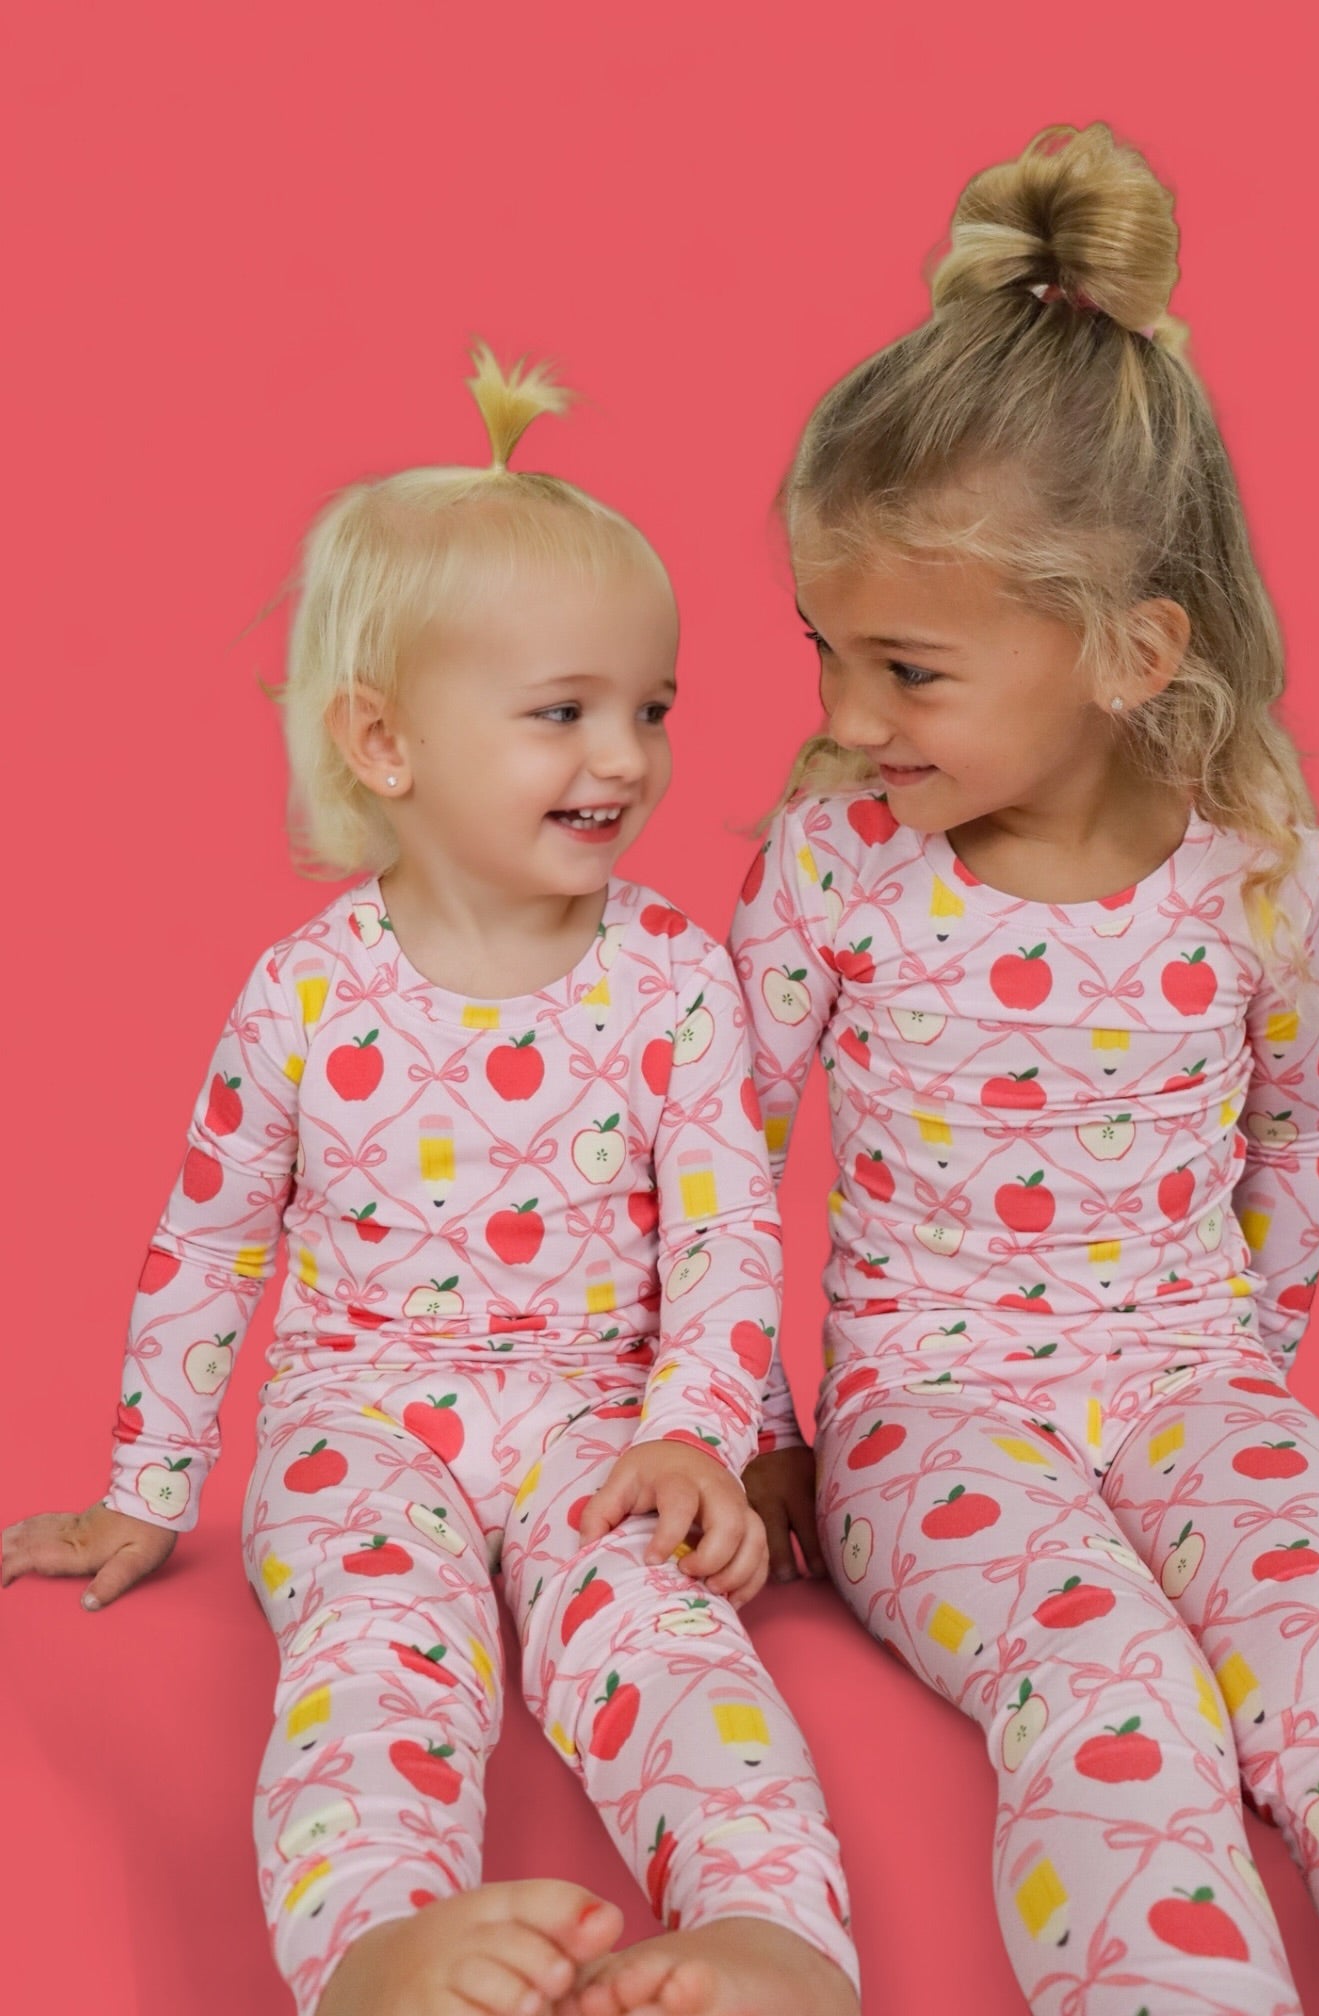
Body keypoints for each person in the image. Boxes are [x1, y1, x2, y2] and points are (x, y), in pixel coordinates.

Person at [732, 123, 1319, 2016]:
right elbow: (715, 1146)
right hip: (929, 1412)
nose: (843, 714)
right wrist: (759, 1425)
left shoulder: (1256, 868)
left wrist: (1246, 1372)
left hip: (1194, 1379)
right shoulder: (838, 860)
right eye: (827, 649)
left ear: (1128, 649)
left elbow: (1300, 1129)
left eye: (909, 671)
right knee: (1106, 1684)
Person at [1, 346, 859, 2016]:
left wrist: (699, 1429)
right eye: (563, 713)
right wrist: (151, 1487)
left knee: (673, 1648)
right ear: (384, 743)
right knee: (371, 1658)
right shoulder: (303, 997)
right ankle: (372, 1943)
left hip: (600, 1419)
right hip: (361, 1421)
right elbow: (208, 1245)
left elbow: (726, 1226)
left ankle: (776, 1930)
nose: (626, 756)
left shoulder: (674, 978)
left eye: (652, 708)